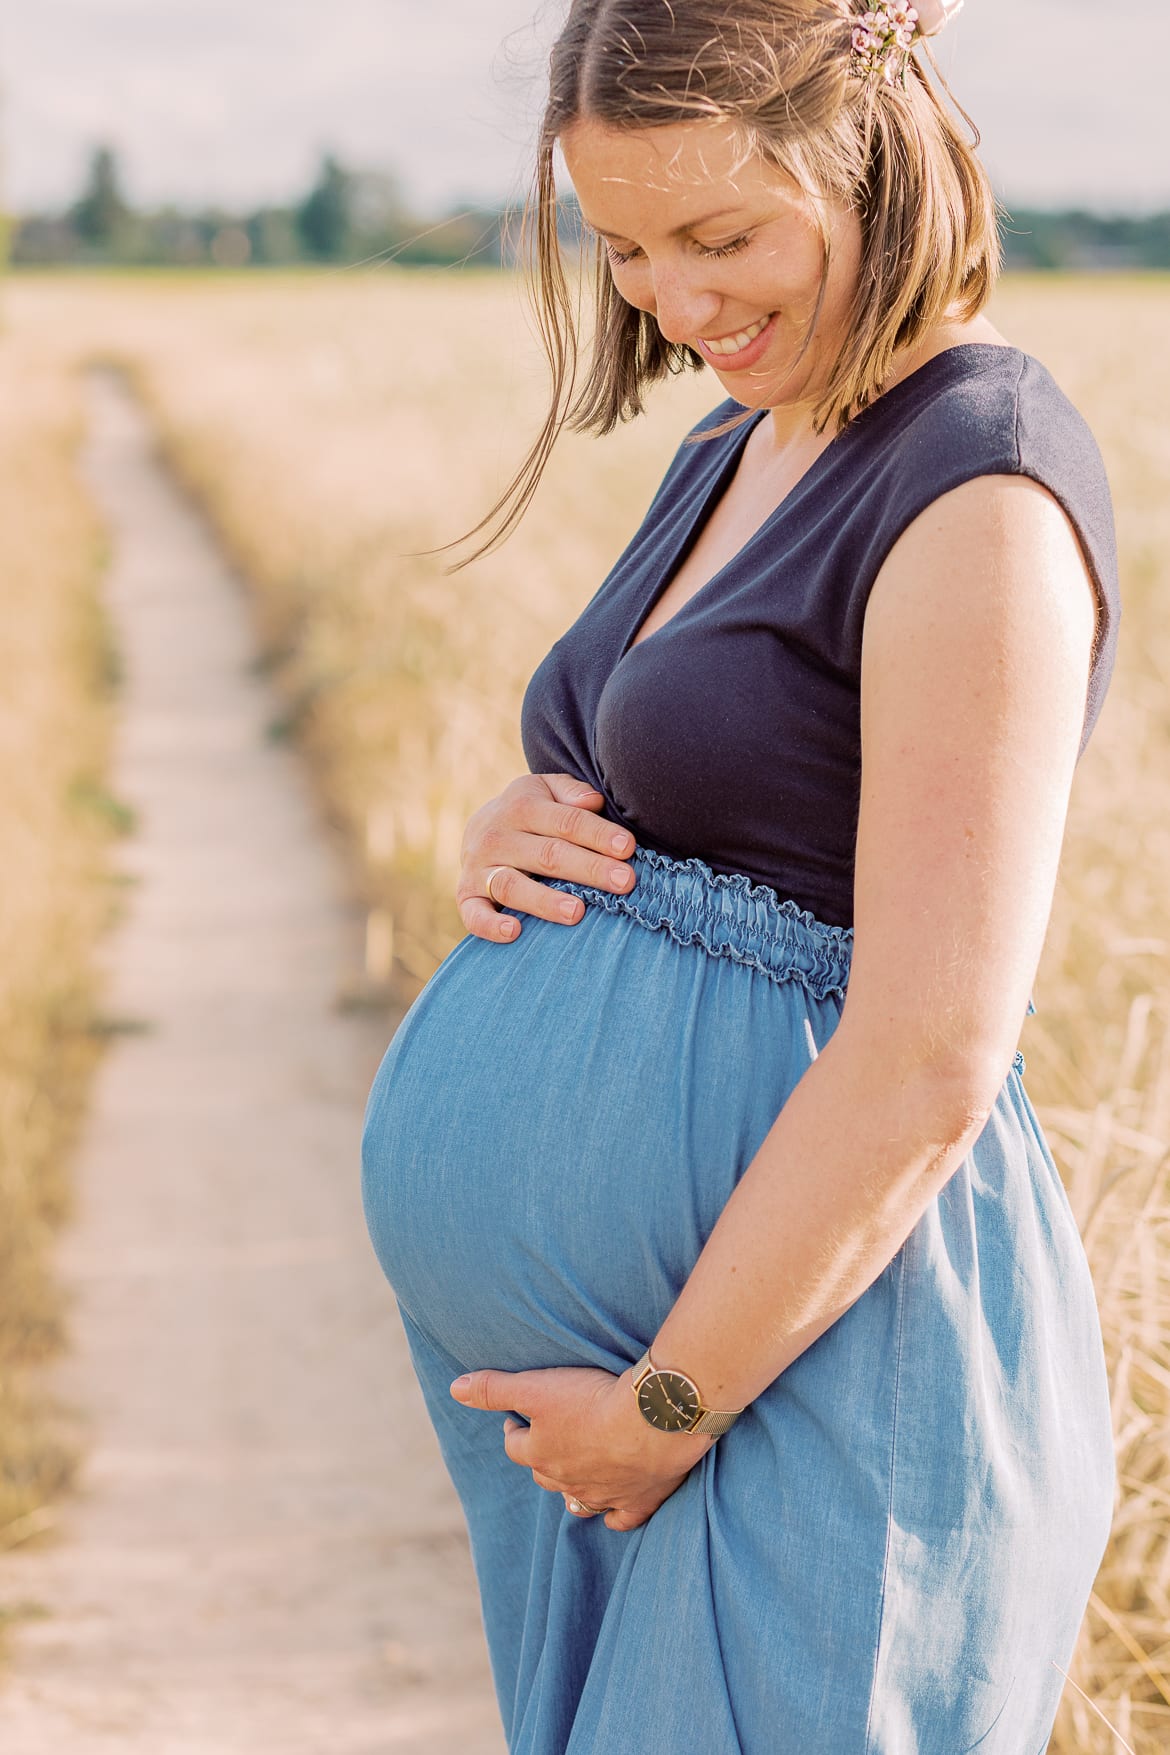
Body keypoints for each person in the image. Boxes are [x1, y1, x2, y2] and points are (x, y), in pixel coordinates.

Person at [361, 1, 1120, 1749]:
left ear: (875, 157)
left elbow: (933, 1051)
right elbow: (692, 780)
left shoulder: (976, 482)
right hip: (643, 1415)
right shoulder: (735, 446)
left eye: (720, 236)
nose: (674, 303)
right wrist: (519, 822)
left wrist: (671, 1398)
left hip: (805, 1389)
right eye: (621, 246)